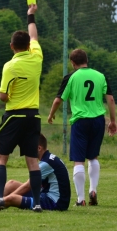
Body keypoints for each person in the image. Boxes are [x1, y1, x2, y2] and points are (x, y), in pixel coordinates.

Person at [47, 49, 117, 206]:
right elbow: (111, 100)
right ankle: (93, 190)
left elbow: (58, 100)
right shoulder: (101, 76)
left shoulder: (71, 77)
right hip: (98, 120)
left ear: (72, 63)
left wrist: (51, 115)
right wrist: (113, 121)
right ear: (87, 60)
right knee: (93, 156)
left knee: (79, 160)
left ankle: (81, 199)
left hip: (80, 121)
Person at [0, 4, 43, 212]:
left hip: (14, 115)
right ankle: (37, 203)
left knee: (1, 158)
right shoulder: (37, 58)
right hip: (34, 116)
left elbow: (3, 96)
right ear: (28, 46)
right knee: (32, 161)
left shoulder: (10, 66)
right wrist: (30, 15)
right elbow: (34, 37)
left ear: (11, 46)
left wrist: (11, 94)